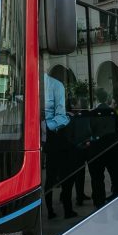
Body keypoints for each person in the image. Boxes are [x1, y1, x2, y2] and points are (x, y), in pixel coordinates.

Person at [42, 73, 74, 219]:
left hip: (51, 143)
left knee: (51, 179)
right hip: (57, 142)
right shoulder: (55, 85)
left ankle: (52, 211)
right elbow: (61, 116)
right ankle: (65, 210)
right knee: (64, 178)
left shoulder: (54, 85)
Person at [87, 88, 118, 207]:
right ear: (106, 99)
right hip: (113, 151)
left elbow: (88, 133)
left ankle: (99, 202)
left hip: (96, 151)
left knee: (97, 178)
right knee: (116, 175)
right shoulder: (112, 112)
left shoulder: (92, 113)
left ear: (96, 98)